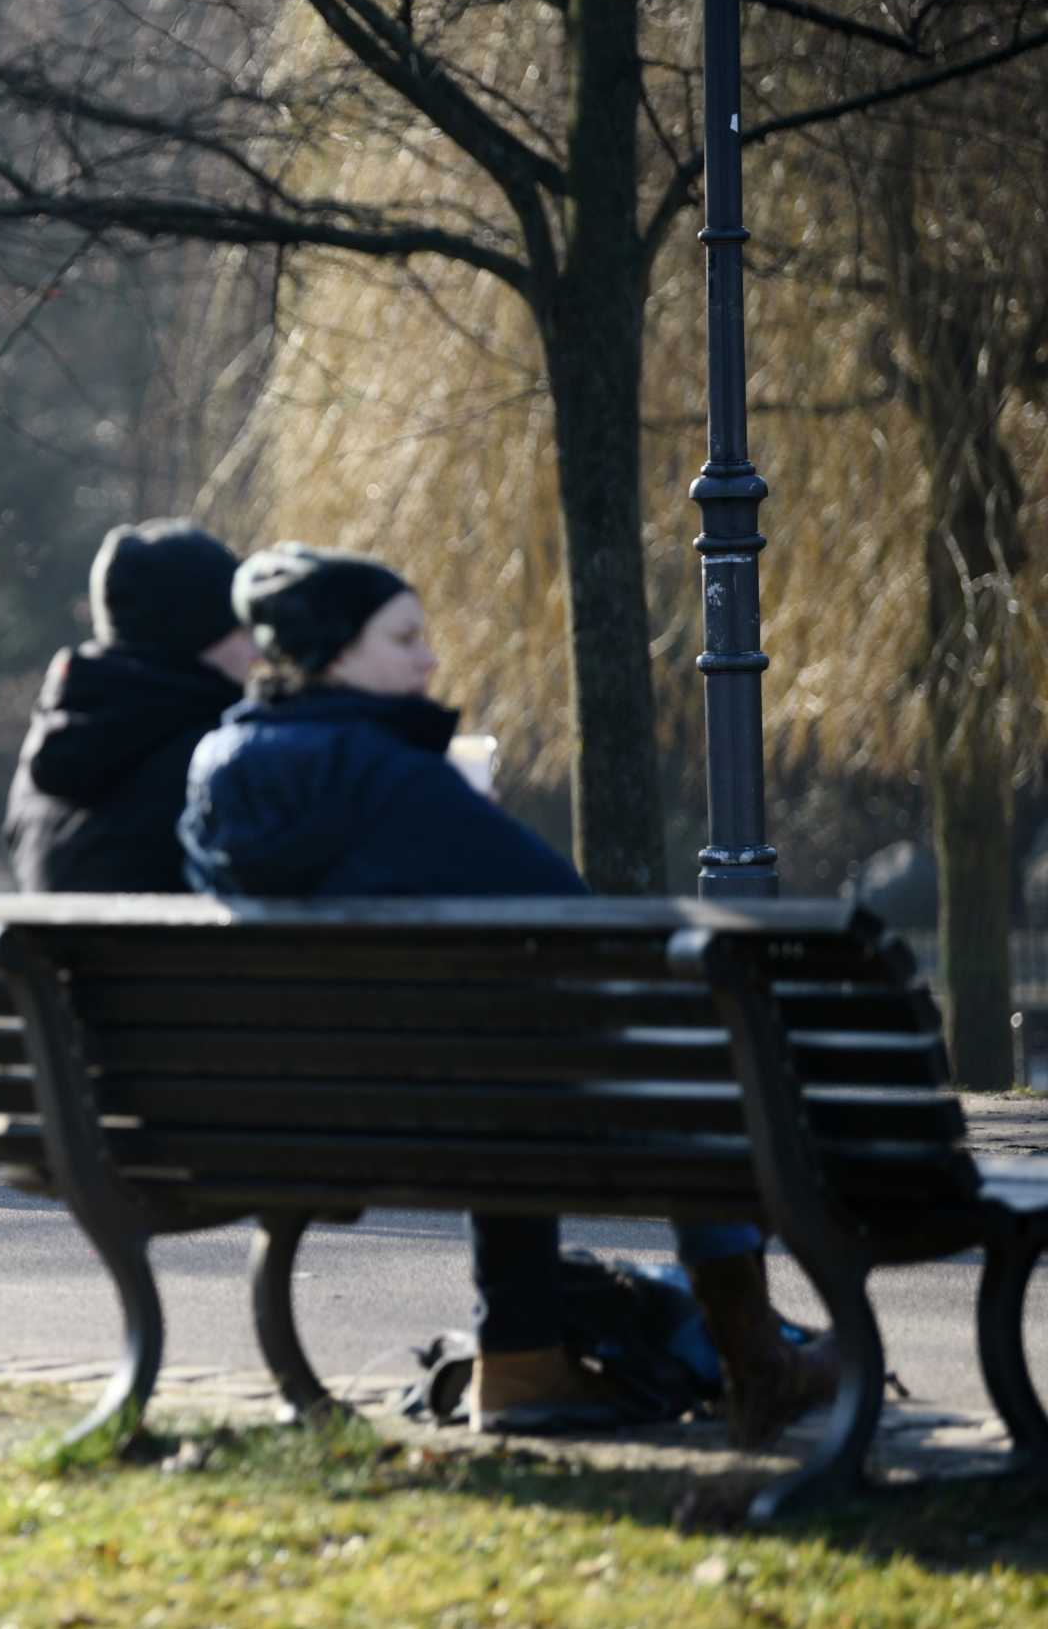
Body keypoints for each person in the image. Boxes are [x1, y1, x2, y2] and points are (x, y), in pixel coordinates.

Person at [179, 542, 836, 1440]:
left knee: (506, 1061)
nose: (429, 658)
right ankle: (755, 1359)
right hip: (470, 1111)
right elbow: (573, 915)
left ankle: (526, 1364)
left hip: (292, 1116)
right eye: (404, 637)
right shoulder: (389, 774)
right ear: (334, 652)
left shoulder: (216, 767)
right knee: (700, 1071)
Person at [4, 521, 256, 892]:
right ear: (196, 633)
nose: (258, 647)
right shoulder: (220, 752)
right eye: (240, 627)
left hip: (52, 951)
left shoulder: (53, 738)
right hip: (191, 951)